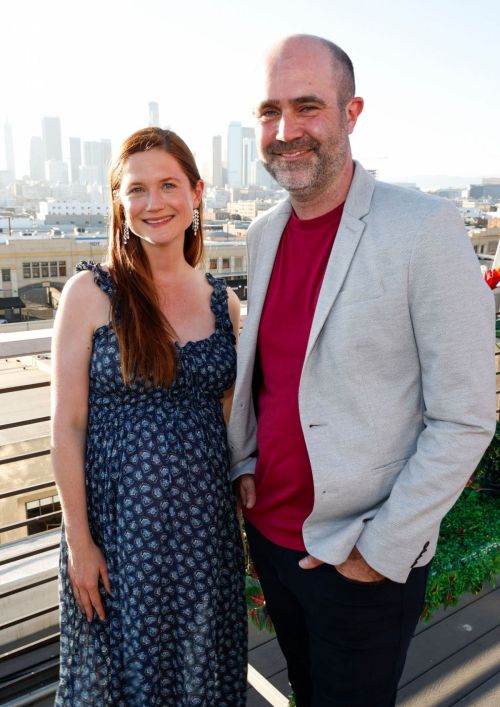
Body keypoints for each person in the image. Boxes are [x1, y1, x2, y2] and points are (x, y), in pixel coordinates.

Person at [229, 34, 496, 707]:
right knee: (307, 688)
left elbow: (465, 416)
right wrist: (243, 465)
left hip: (360, 555)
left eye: (308, 107)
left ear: (352, 113)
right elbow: (271, 374)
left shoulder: (424, 227)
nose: (286, 131)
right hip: (273, 541)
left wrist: (381, 551)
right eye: (269, 111)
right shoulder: (263, 233)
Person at [51, 127, 247, 706]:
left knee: (198, 675)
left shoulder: (223, 302)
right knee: (121, 679)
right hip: (116, 537)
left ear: (196, 193)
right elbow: (67, 425)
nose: (154, 202)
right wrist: (79, 542)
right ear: (119, 200)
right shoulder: (90, 292)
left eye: (168, 185)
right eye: (137, 189)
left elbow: (234, 422)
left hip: (203, 539)